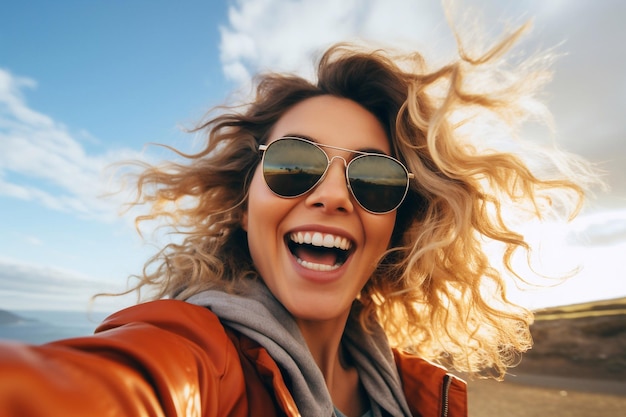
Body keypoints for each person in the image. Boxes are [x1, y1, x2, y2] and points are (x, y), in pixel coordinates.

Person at [0, 21, 596, 417]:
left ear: (400, 224)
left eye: (375, 178)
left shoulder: (420, 393)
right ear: (244, 202)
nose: (334, 195)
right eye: (293, 164)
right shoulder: (197, 360)